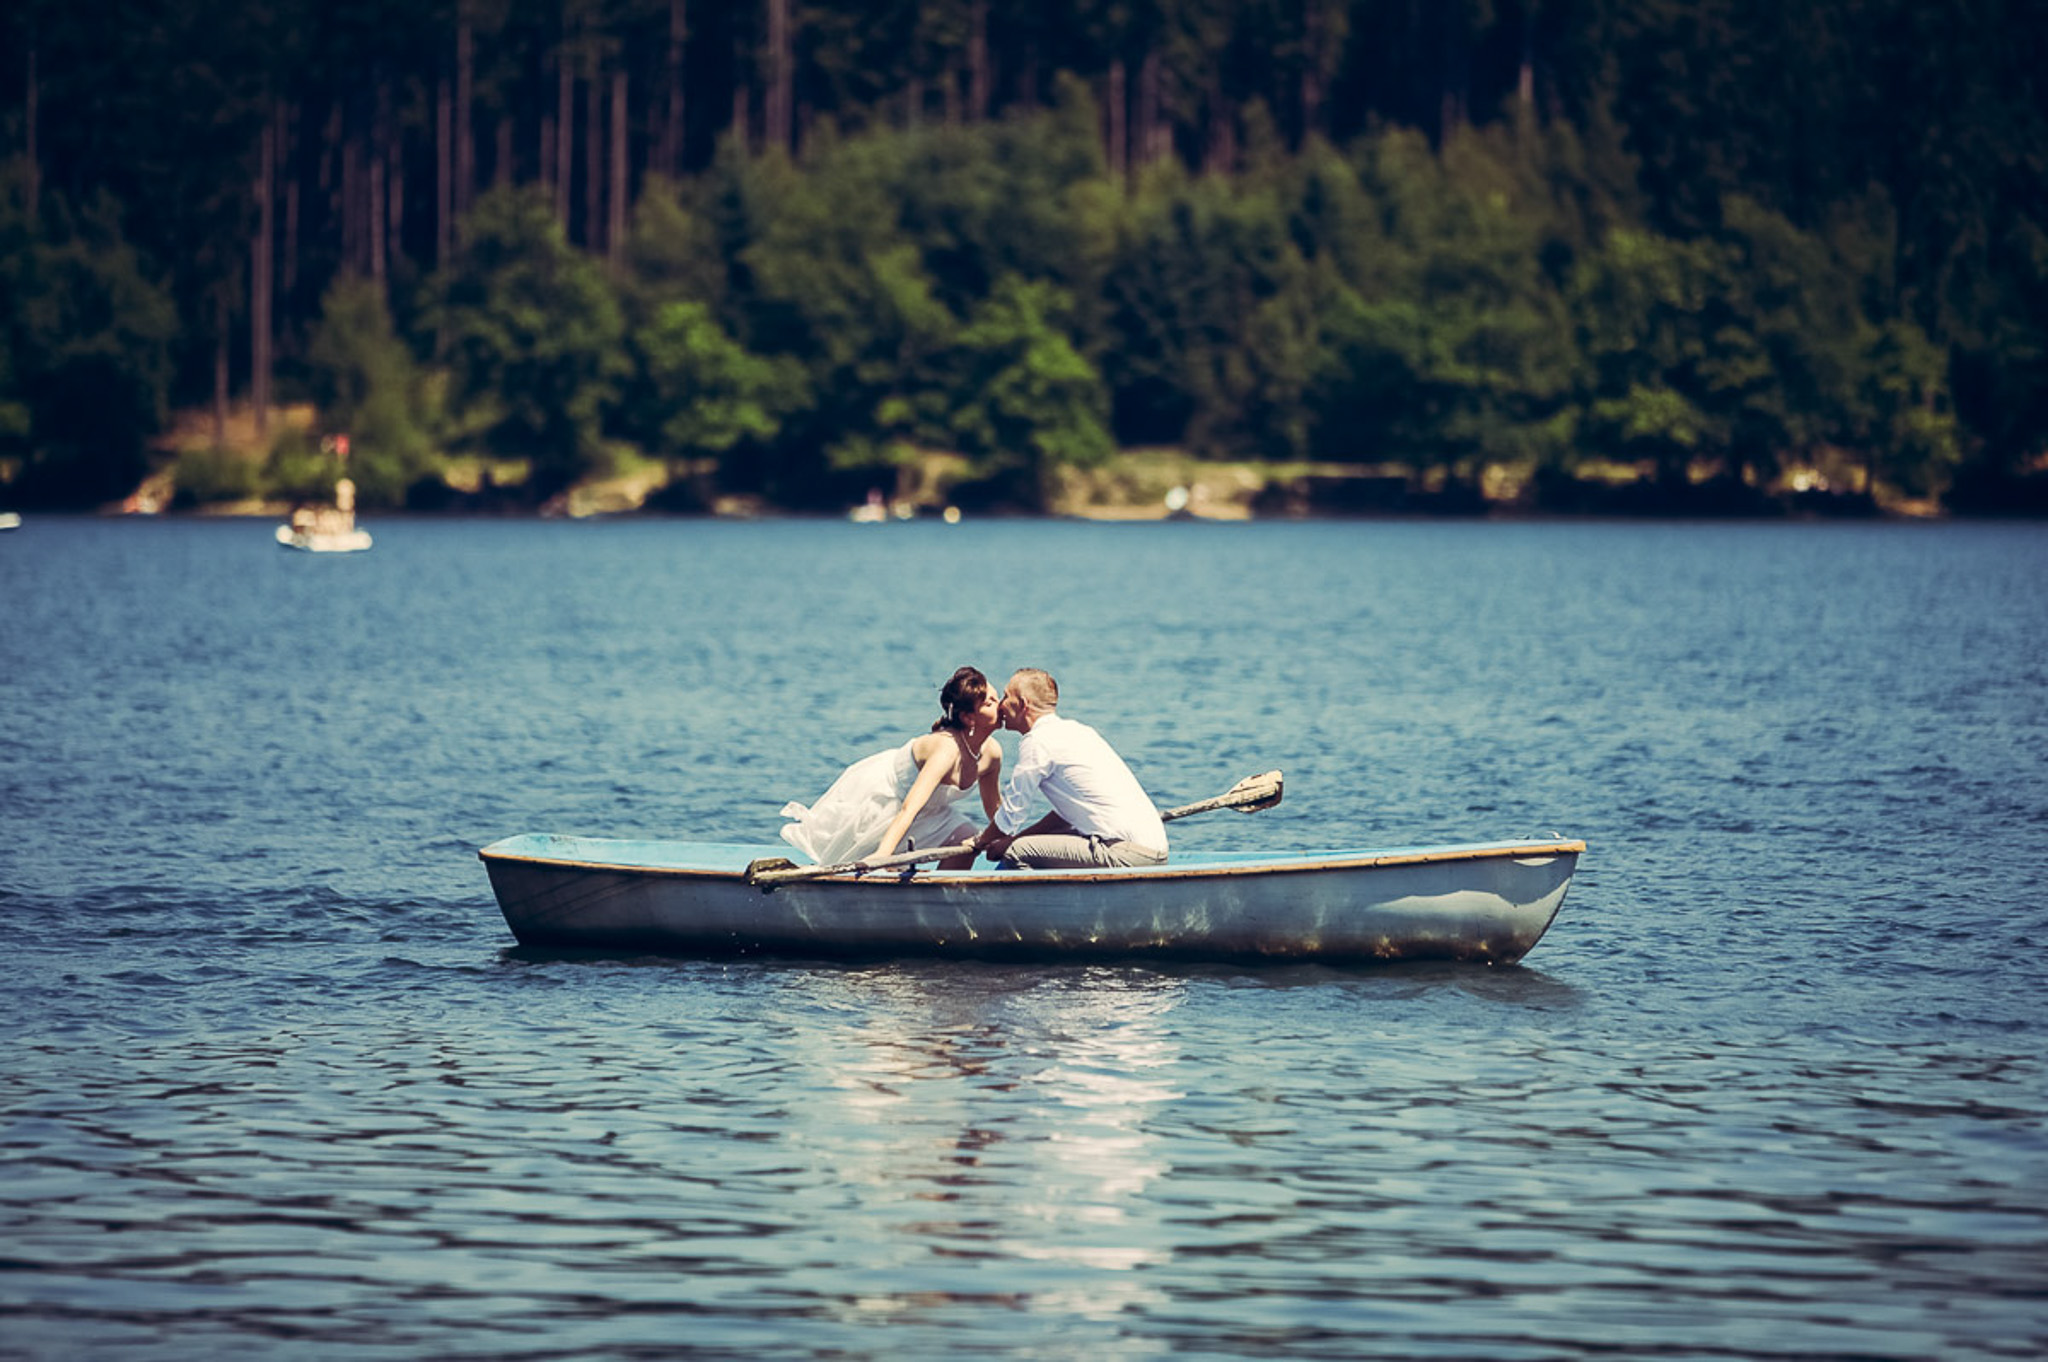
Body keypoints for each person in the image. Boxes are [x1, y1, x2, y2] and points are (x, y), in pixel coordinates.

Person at [779, 666, 1004, 869]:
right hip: (887, 802)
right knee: (862, 861)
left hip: (931, 813)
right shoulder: (946, 750)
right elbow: (909, 808)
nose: (1001, 705)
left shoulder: (992, 753)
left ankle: (944, 901)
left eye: (998, 697)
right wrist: (883, 855)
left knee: (968, 836)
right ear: (968, 718)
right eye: (990, 703)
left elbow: (995, 809)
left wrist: (1012, 842)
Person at [975, 668, 1167, 869]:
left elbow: (1012, 815)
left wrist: (980, 841)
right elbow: (1064, 817)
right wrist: (1014, 839)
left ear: (1023, 704)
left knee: (1016, 852)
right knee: (1018, 845)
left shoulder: (1037, 742)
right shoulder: (1079, 731)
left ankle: (1036, 901)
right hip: (1155, 851)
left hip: (1128, 854)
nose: (1001, 705)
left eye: (1006, 696)